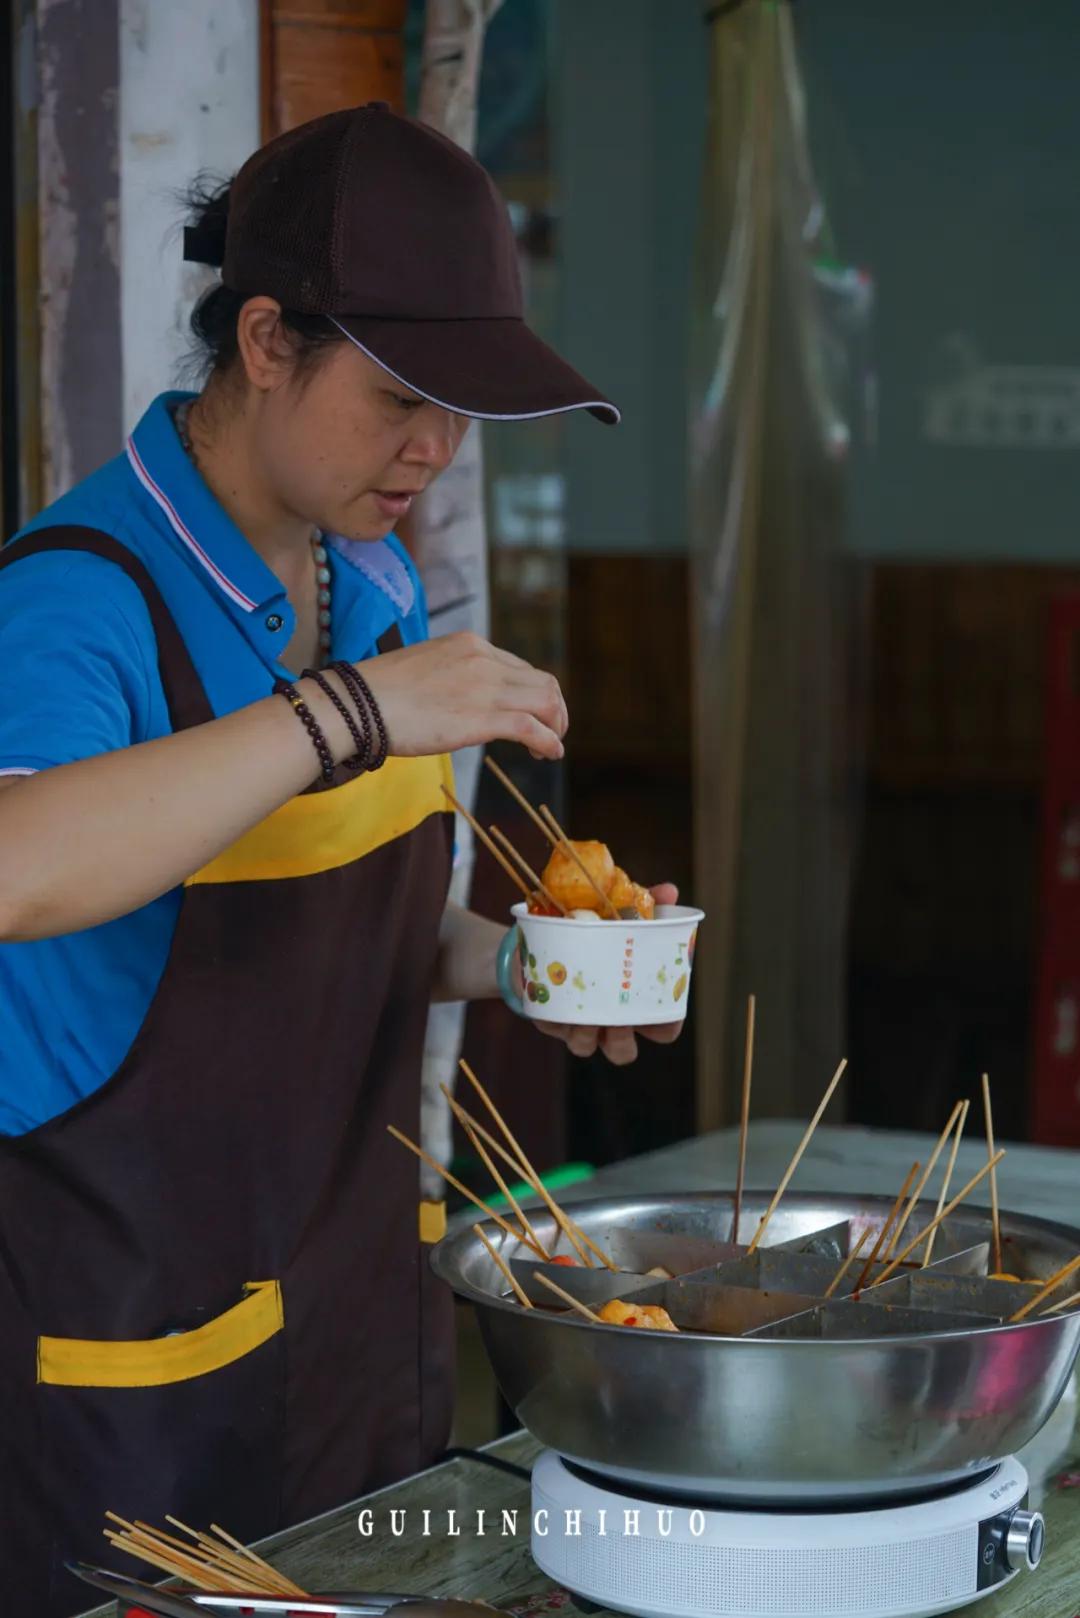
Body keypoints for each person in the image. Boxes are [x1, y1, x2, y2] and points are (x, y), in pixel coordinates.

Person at [0, 103, 681, 1616]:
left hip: (366, 1370)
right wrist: (361, 708)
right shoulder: (77, 599)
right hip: (140, 1415)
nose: (435, 452)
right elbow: (18, 867)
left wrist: (525, 960)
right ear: (262, 343)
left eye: (463, 410)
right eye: (399, 399)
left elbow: (356, 934)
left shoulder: (364, 577)